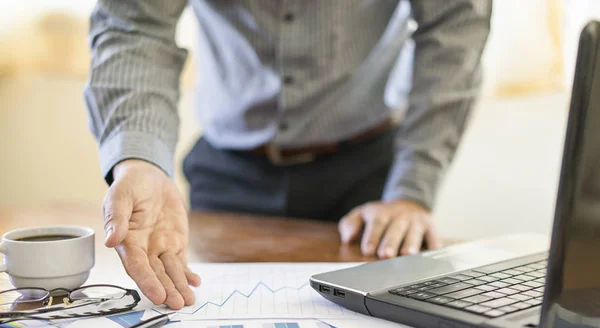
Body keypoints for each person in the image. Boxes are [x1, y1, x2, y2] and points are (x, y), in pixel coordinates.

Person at [85, 0, 492, 310]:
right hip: (226, 176)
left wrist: (411, 190)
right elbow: (134, 23)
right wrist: (139, 159)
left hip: (369, 186)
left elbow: (455, 25)